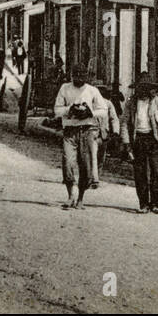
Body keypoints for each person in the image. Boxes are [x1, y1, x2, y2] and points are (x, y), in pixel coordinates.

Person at [53, 64, 111, 209]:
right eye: (76, 75)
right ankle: (70, 195)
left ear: (86, 76)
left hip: (87, 131)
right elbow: (57, 110)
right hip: (70, 131)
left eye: (82, 75)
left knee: (85, 164)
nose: (79, 78)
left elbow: (103, 110)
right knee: (67, 162)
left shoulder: (92, 91)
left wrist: (90, 112)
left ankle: (80, 198)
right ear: (71, 75)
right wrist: (69, 109)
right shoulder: (65, 88)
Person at [122, 75, 158, 213]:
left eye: (147, 88)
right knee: (140, 173)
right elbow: (124, 122)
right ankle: (143, 204)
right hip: (138, 139)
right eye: (141, 88)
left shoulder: (157, 101)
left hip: (154, 139)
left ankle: (155, 203)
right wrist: (127, 143)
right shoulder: (131, 103)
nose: (143, 91)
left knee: (157, 172)